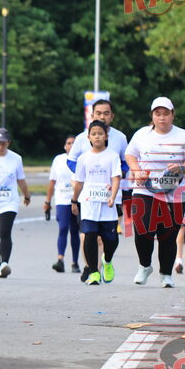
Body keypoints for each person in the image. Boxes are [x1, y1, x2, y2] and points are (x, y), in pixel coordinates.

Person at [125, 97, 185, 288]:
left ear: (173, 115)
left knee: (167, 234)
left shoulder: (184, 136)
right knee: (142, 228)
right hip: (145, 189)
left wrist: (182, 167)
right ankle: (144, 266)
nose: (162, 118)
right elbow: (130, 154)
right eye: (157, 114)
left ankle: (166, 274)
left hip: (174, 192)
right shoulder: (141, 134)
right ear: (152, 116)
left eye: (166, 113)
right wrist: (136, 170)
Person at [67, 99, 128, 281]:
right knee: (89, 234)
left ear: (112, 116)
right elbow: (71, 161)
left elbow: (125, 162)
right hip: (88, 196)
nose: (102, 116)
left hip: (111, 196)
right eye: (99, 113)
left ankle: (106, 260)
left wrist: (119, 174)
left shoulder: (120, 138)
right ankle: (92, 269)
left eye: (106, 113)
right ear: (92, 115)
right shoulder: (82, 138)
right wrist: (83, 176)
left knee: (109, 237)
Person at [0, 127, 31, 278]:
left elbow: (21, 179)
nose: (0, 146)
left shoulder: (16, 159)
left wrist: (27, 195)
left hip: (9, 201)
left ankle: (4, 263)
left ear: (9, 142)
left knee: (5, 231)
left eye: (3, 143)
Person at [44, 135, 80, 273]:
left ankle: (75, 262)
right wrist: (47, 201)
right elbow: (52, 182)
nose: (71, 145)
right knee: (63, 228)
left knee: (75, 231)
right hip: (62, 199)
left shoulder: (81, 159)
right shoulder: (58, 160)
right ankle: (60, 259)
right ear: (65, 146)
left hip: (77, 199)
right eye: (68, 143)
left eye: (74, 143)